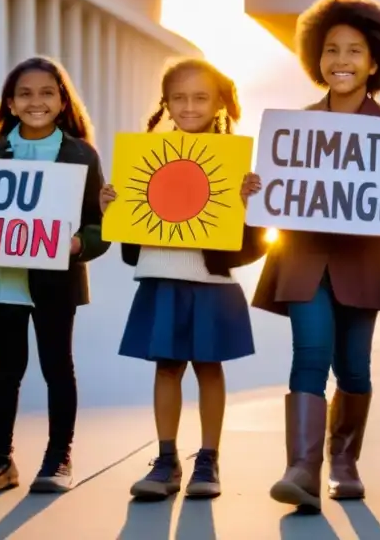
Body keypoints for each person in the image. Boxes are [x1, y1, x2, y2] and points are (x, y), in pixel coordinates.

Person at [251, 0, 380, 514]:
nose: (340, 60)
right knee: (310, 355)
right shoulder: (292, 129)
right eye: (330, 49)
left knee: (355, 367)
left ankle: (343, 462)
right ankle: (301, 468)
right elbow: (277, 199)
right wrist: (256, 190)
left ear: (375, 63)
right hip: (305, 261)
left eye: (353, 51)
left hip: (364, 264)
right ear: (314, 59)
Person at [101, 58, 267, 501]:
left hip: (212, 283)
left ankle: (208, 459)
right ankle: (167, 458)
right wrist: (112, 206)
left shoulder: (237, 162)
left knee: (209, 368)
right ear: (166, 104)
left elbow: (253, 242)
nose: (189, 106)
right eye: (179, 98)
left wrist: (251, 204)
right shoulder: (146, 157)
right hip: (161, 275)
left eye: (200, 97)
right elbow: (130, 232)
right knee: (167, 367)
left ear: (218, 104)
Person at [0, 57, 109, 496]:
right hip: (2, 278)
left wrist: (80, 244)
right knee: (5, 369)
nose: (35, 101)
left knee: (58, 367)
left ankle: (58, 457)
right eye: (25, 93)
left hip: (55, 281)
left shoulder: (81, 153)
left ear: (61, 102)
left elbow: (99, 224)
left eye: (46, 93)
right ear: (10, 103)